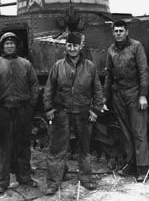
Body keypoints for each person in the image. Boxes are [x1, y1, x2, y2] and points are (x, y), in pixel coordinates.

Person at [44, 32, 104, 195]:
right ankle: (53, 182)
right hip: (62, 112)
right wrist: (49, 109)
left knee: (84, 148)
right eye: (69, 45)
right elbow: (49, 89)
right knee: (57, 149)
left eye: (75, 46)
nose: (72, 48)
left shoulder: (90, 67)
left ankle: (85, 178)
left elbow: (98, 90)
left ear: (80, 47)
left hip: (83, 113)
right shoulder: (58, 66)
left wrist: (95, 110)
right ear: (66, 46)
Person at [0, 32, 39, 194]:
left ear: (16, 46)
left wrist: (30, 105)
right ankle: (1, 182)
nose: (9, 46)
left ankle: (24, 177)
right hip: (3, 110)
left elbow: (34, 85)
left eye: (12, 43)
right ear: (2, 46)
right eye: (6, 43)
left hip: (22, 110)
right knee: (4, 147)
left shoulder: (25, 64)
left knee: (23, 145)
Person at [104, 20, 149, 182]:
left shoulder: (136, 47)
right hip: (118, 94)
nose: (118, 33)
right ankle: (131, 163)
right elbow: (109, 76)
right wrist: (105, 97)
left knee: (138, 131)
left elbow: (143, 71)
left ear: (127, 31)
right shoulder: (111, 50)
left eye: (121, 31)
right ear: (113, 33)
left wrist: (143, 94)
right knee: (126, 131)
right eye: (116, 31)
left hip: (134, 92)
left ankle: (143, 167)